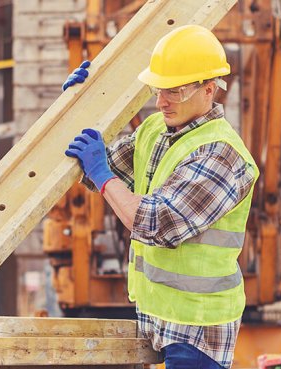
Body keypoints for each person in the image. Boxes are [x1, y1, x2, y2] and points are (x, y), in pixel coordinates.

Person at [62, 25, 259, 369]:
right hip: (153, 312)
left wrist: (102, 174)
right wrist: (73, 108)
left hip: (198, 324)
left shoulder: (222, 154)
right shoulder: (156, 129)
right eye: (158, 89)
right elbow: (91, 167)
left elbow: (157, 224)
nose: (161, 101)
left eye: (176, 92)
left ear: (209, 90)